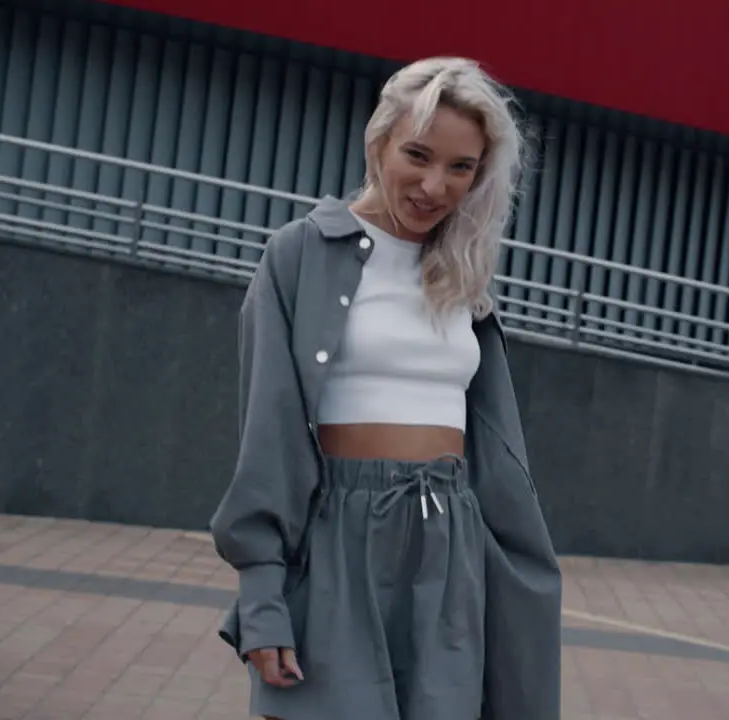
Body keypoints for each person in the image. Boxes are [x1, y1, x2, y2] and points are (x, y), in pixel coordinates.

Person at [208, 57, 563, 720]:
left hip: (451, 542)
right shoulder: (299, 254)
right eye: (418, 155)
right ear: (379, 142)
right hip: (339, 538)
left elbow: (495, 455)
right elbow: (268, 433)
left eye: (462, 168)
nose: (435, 186)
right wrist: (262, 598)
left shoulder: (463, 279)